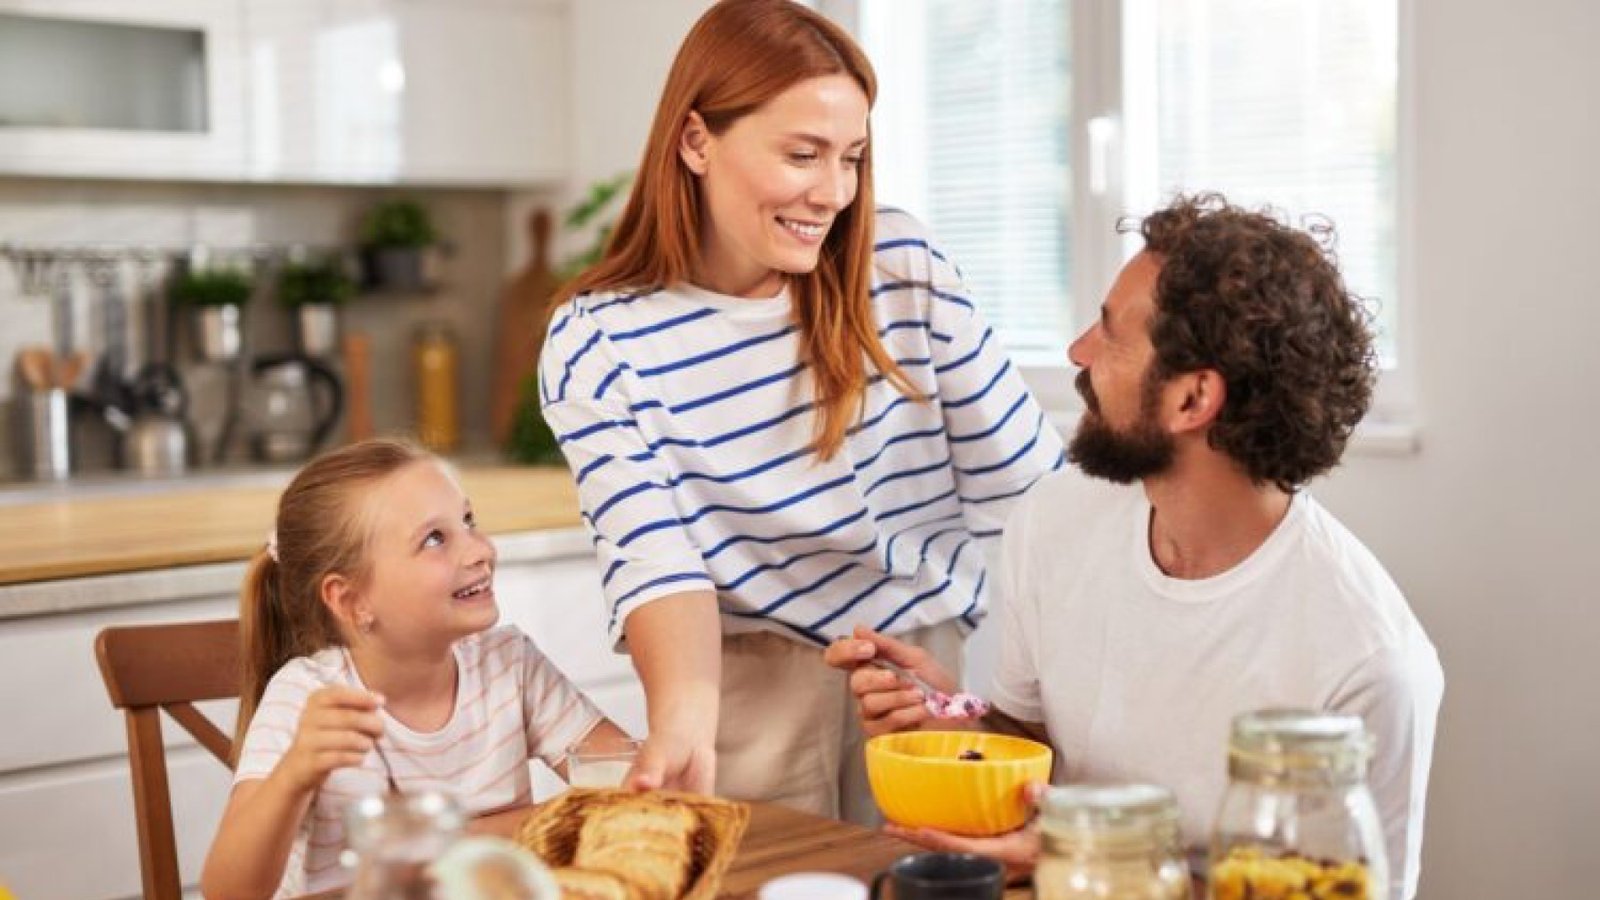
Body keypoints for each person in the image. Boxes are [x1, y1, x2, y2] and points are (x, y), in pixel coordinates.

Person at [827, 195, 1444, 899]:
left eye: (1111, 335)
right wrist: (950, 723)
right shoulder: (1055, 518)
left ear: (1192, 400)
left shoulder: (1369, 662)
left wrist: (1101, 856)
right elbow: (1033, 750)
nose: (1078, 352)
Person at [538, 0, 1063, 821]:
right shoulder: (600, 340)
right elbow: (655, 560)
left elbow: (1036, 495)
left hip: (917, 667)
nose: (833, 192)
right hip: (743, 688)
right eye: (802, 154)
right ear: (695, 140)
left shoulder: (902, 268)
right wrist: (682, 720)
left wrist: (1022, 701)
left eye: (851, 157)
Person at [201, 439, 633, 899]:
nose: (479, 551)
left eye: (468, 521)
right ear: (351, 600)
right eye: (434, 539)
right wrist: (294, 775)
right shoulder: (309, 698)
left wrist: (437, 849)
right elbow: (228, 893)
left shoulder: (510, 665)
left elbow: (630, 789)